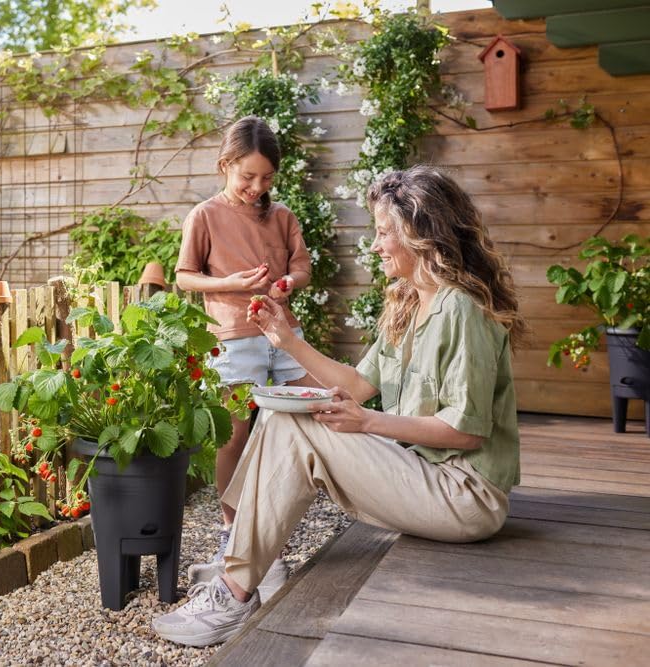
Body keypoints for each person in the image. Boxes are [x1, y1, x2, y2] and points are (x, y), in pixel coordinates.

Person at [154, 165, 529, 647]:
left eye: (383, 233)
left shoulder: (461, 310)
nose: (374, 246)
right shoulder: (413, 302)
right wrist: (285, 339)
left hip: (464, 495)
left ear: (420, 234)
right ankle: (246, 570)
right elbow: (358, 383)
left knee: (295, 426)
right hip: (424, 476)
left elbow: (466, 433)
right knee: (282, 413)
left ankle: (236, 586)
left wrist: (367, 422)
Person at [173, 115, 315, 601]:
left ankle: (277, 526)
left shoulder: (283, 217)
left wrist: (287, 283)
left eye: (267, 178)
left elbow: (301, 267)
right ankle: (233, 533)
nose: (258, 187)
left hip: (283, 334)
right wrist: (230, 285)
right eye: (247, 176)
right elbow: (184, 277)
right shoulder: (205, 216)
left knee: (303, 423)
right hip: (233, 338)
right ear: (225, 166)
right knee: (234, 434)